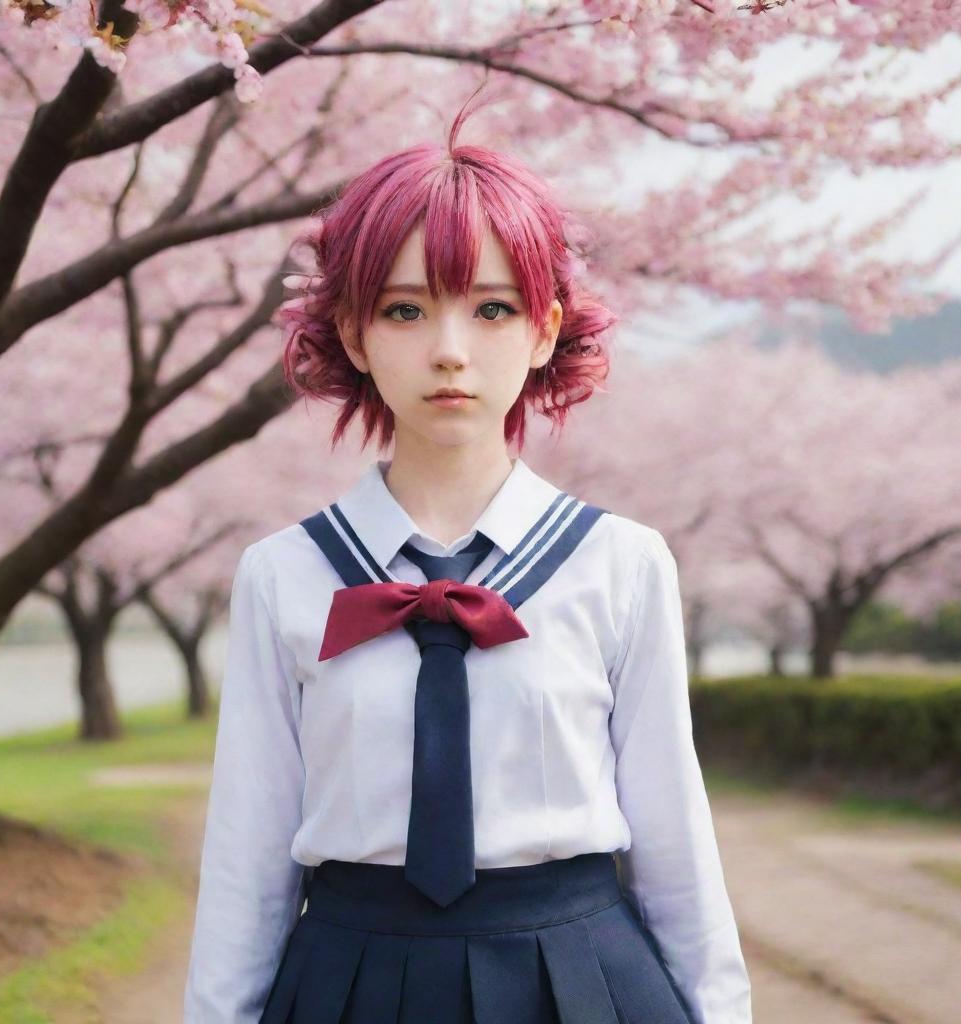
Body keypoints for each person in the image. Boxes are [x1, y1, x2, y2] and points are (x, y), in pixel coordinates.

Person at [183, 94, 753, 1024]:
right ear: (357, 335)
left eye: (492, 308)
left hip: (579, 980)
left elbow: (674, 839)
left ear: (541, 331)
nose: (450, 351)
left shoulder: (622, 563)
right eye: (405, 309)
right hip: (348, 983)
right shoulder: (281, 576)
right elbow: (246, 855)